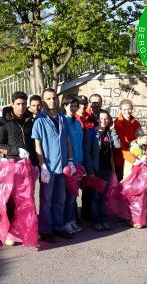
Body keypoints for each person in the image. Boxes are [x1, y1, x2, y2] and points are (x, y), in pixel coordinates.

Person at [32, 88, 76, 243]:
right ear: (44, 101)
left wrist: (70, 161)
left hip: (63, 167)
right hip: (49, 168)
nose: (52, 101)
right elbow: (37, 145)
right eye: (49, 98)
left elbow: (68, 140)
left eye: (54, 98)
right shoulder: (39, 120)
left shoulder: (63, 118)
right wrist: (42, 166)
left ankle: (58, 226)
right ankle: (46, 230)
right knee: (46, 200)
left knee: (60, 199)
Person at [0, 91, 38, 245]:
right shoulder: (3, 122)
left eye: (24, 104)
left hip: (28, 167)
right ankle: (9, 232)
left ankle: (25, 229)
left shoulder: (30, 120)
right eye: (18, 104)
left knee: (27, 200)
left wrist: (37, 165)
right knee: (11, 201)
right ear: (12, 104)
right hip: (11, 167)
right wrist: (16, 151)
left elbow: (34, 145)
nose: (21, 107)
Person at [84, 109, 120, 231]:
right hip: (96, 170)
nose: (104, 121)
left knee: (104, 197)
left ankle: (103, 219)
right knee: (95, 197)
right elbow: (87, 154)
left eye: (106, 118)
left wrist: (113, 129)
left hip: (107, 169)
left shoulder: (109, 133)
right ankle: (95, 221)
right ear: (97, 119)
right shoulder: (91, 133)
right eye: (101, 118)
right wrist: (90, 171)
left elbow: (118, 145)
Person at [61, 95, 83, 234]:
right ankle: (66, 222)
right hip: (70, 164)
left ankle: (71, 220)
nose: (73, 108)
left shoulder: (77, 122)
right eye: (71, 106)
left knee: (74, 195)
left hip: (79, 163)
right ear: (65, 106)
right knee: (69, 196)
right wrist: (70, 161)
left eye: (75, 106)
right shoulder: (63, 121)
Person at [125, 126, 147, 228]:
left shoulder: (145, 146)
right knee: (134, 200)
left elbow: (146, 154)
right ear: (140, 138)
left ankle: (142, 219)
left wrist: (146, 156)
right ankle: (133, 220)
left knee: (143, 199)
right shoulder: (133, 147)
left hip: (142, 178)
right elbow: (129, 163)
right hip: (133, 178)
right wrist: (136, 161)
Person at [113, 99, 141, 182]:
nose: (127, 111)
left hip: (136, 159)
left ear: (132, 109)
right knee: (122, 186)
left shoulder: (136, 123)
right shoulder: (117, 124)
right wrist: (133, 159)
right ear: (120, 110)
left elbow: (140, 140)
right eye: (124, 109)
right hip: (121, 161)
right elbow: (121, 146)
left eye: (129, 109)